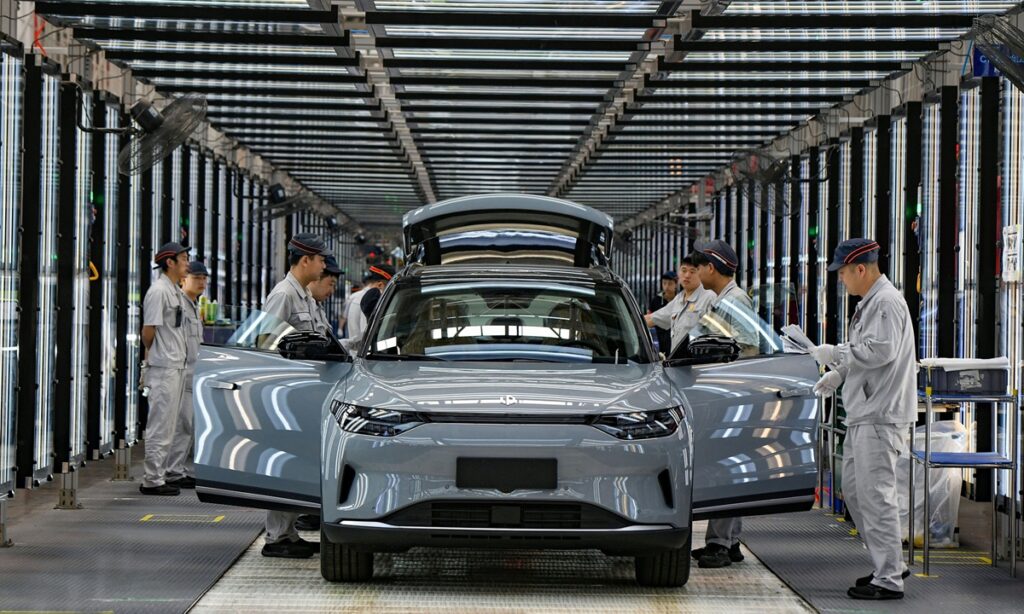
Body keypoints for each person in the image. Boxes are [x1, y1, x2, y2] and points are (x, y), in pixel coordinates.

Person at [809, 239, 916, 601]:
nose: (841, 281)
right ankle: (890, 563)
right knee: (854, 491)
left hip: (881, 415)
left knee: (876, 495)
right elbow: (866, 350)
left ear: (860, 269)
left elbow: (881, 351)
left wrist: (835, 353)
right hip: (864, 413)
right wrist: (838, 373)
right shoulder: (870, 303)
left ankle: (889, 579)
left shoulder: (884, 302)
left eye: (842, 274)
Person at [259, 233, 332, 559]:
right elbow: (264, 343)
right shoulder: (283, 295)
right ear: (305, 260)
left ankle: (287, 531)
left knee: (296, 463)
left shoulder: (304, 297)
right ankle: (275, 537)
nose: (323, 265)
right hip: (284, 392)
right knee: (283, 462)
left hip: (305, 393)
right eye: (320, 260)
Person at [689, 239, 752, 569]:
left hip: (733, 396)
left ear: (710, 268)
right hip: (725, 395)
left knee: (726, 469)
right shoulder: (723, 299)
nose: (696, 273)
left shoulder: (735, 301)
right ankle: (729, 540)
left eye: (698, 267)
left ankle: (720, 544)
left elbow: (748, 345)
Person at [139, 242, 192, 496]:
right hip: (163, 367)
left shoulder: (174, 290)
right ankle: (152, 479)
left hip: (175, 365)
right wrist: (157, 353)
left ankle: (161, 474)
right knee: (160, 423)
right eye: (183, 258)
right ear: (169, 262)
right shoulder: (159, 291)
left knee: (170, 424)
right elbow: (148, 331)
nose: (187, 263)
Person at [163, 260, 208, 490]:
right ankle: (171, 471)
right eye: (197, 278)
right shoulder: (179, 304)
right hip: (181, 374)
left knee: (188, 424)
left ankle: (177, 469)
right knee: (181, 424)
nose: (201, 282)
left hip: (193, 374)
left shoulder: (192, 305)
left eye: (204, 278)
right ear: (184, 279)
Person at [644, 256, 716, 356]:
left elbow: (717, 337)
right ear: (678, 273)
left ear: (700, 273)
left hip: (698, 366)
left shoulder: (709, 298)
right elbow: (653, 318)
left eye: (692, 271)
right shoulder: (679, 299)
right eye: (684, 270)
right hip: (677, 365)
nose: (687, 275)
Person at [341, 264, 394, 356]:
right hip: (366, 358)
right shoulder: (369, 300)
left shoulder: (358, 296)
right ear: (380, 285)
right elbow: (366, 335)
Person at [309, 255, 343, 339]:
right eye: (331, 284)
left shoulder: (318, 306)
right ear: (317, 277)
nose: (332, 291)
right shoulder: (285, 295)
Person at [647, 271, 678, 354]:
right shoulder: (656, 301)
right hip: (659, 339)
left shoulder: (680, 300)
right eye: (664, 283)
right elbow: (649, 317)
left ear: (676, 284)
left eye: (670, 284)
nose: (666, 286)